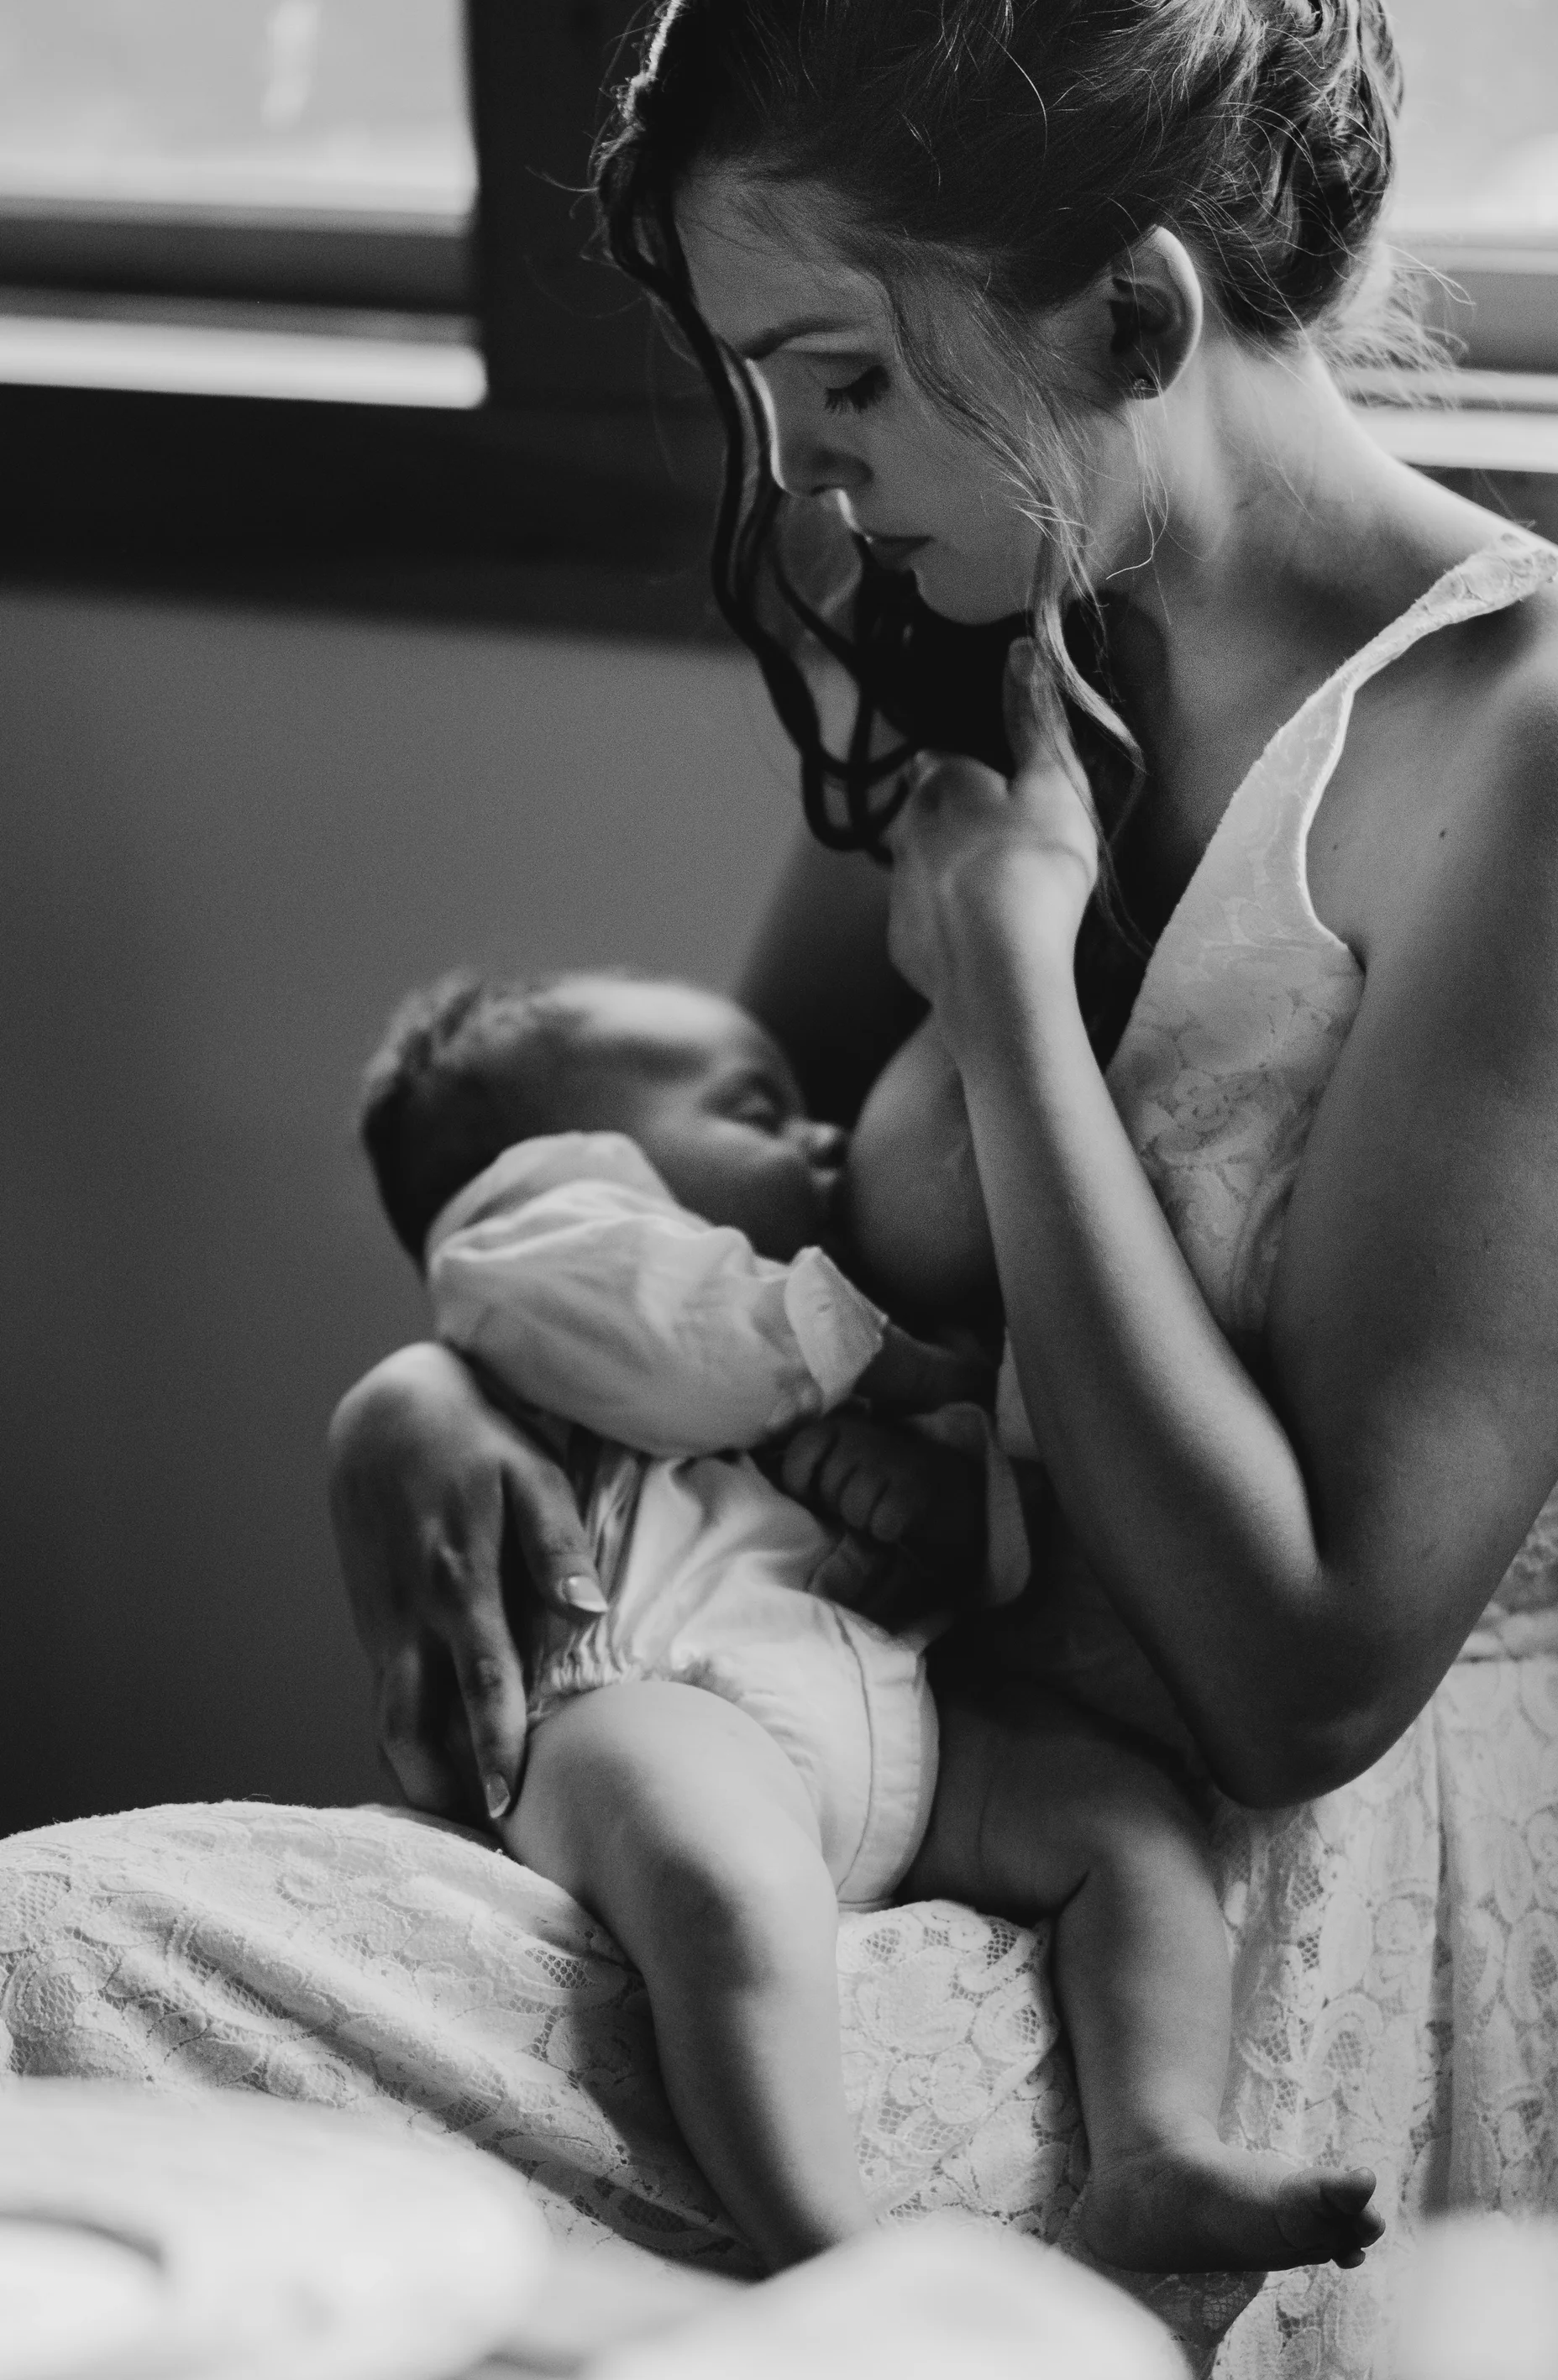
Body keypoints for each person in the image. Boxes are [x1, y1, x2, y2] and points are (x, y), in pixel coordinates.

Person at [5, 0, 1558, 2380]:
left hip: (1289, 1938)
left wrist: (1015, 994)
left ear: (1137, 319)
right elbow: (763, 1242)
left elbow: (1303, 1676)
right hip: (883, 1772)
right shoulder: (991, 648)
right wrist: (435, 1387)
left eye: (846, 380)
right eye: (768, 393)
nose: (807, 485)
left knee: (73, 2016)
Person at [354, 962, 1382, 2273]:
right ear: (569, 1153)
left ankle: (1158, 2148)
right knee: (727, 1887)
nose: (822, 1136)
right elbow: (691, 1334)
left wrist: (944, 1499)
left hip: (890, 1716)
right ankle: (832, 2252)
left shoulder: (800, 1342)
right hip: (651, 1699)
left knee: (1127, 1825)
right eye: (752, 1108)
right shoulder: (532, 1248)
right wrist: (879, 1362)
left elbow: (984, 1549)